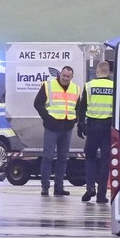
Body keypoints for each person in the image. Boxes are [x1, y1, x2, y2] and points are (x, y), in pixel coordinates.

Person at [33, 65, 78, 197]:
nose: (65, 78)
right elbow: (37, 103)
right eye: (63, 75)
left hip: (67, 127)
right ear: (59, 74)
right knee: (47, 157)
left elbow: (78, 106)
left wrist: (75, 120)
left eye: (68, 77)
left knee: (63, 159)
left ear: (71, 77)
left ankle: (59, 187)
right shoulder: (48, 85)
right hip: (52, 127)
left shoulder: (75, 89)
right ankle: (45, 187)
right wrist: (47, 118)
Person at [77, 60, 114, 203]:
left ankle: (90, 187)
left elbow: (82, 107)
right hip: (108, 127)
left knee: (90, 157)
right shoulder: (114, 86)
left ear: (97, 72)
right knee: (106, 160)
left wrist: (80, 125)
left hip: (92, 127)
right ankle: (101, 194)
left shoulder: (89, 86)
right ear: (109, 72)